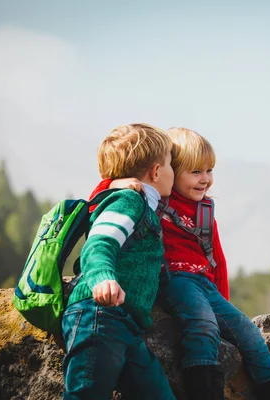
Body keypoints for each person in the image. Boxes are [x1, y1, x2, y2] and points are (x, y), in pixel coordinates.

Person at [90, 127, 270, 400]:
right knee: (202, 324)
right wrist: (116, 183)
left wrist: (223, 298)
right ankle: (204, 388)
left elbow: (217, 260)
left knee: (247, 331)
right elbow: (98, 201)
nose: (206, 180)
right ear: (169, 172)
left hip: (205, 284)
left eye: (209, 170)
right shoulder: (155, 199)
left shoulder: (205, 211)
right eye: (196, 172)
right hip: (174, 280)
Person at [62, 123, 176, 400]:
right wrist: (102, 277)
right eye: (172, 164)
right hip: (98, 315)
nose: (174, 171)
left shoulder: (144, 206)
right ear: (157, 171)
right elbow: (99, 244)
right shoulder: (128, 201)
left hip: (126, 325)